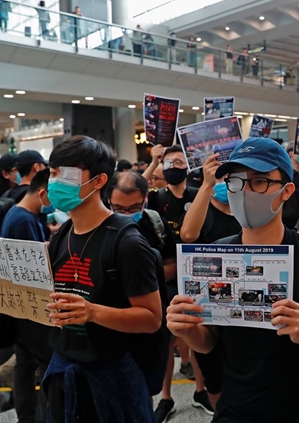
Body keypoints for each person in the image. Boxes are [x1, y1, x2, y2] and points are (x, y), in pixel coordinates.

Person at [167, 137, 299, 422]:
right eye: (236, 181)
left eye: (259, 182)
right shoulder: (216, 256)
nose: (244, 192)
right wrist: (186, 329)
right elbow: (209, 341)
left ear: (286, 191)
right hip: (236, 409)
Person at [41, 136, 161, 422]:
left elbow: (152, 318)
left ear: (98, 181)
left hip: (112, 374)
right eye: (53, 173)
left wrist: (93, 312)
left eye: (65, 174)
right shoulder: (62, 235)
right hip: (65, 367)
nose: (55, 182)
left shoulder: (126, 242)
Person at [143, 144, 212, 412]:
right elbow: (137, 186)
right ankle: (166, 397)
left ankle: (200, 390)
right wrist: (154, 161)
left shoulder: (198, 195)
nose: (174, 167)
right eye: (168, 163)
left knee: (194, 331)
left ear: (188, 166)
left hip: (196, 272)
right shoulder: (156, 198)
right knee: (167, 339)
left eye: (179, 162)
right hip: (167, 276)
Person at [105, 171, 176, 423]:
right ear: (108, 201)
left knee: (146, 382)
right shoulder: (102, 227)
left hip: (150, 314)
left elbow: (171, 262)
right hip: (113, 320)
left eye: (134, 207)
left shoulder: (155, 223)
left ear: (145, 199)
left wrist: (144, 279)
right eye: (119, 208)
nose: (127, 214)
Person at [177, 154, 242, 414]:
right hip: (210, 306)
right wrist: (206, 185)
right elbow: (188, 234)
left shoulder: (243, 209)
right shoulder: (204, 206)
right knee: (212, 371)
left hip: (240, 304)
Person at [0, 169, 53, 423]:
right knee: (43, 365)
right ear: (43, 193)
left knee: (25, 365)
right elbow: (34, 268)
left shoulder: (18, 213)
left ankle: (27, 417)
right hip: (30, 308)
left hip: (20, 306)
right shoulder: (24, 221)